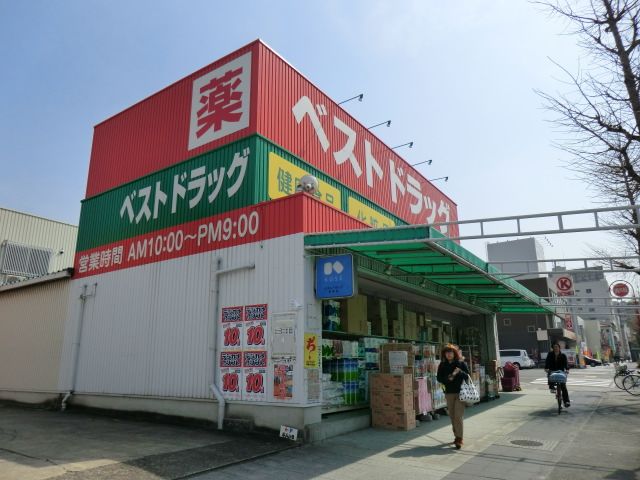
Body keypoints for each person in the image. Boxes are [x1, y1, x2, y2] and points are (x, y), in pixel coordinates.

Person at [437, 344, 470, 449]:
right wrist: (448, 378)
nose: (449, 354)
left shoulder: (461, 363)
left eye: (450, 352)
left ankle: (459, 439)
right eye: (447, 352)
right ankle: (456, 436)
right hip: (449, 393)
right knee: (452, 416)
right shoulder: (442, 365)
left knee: (458, 416)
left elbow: (468, 376)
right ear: (444, 354)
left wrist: (459, 372)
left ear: (454, 353)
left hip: (461, 393)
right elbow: (439, 378)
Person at [544, 343, 570, 407]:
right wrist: (546, 368)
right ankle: (551, 387)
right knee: (549, 374)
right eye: (554, 347)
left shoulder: (563, 355)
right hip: (552, 370)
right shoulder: (550, 354)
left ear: (559, 348)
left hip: (561, 371)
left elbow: (566, 363)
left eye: (557, 347)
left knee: (563, 386)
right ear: (553, 348)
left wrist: (567, 369)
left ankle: (566, 401)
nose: (556, 348)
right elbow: (547, 362)